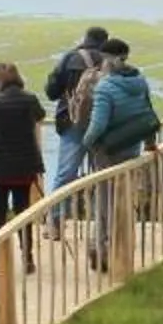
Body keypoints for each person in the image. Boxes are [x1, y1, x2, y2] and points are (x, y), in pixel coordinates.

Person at [80, 36, 160, 271]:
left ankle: (106, 251)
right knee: (123, 197)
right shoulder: (140, 81)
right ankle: (117, 246)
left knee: (105, 201)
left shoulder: (105, 88)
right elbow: (147, 113)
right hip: (131, 147)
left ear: (106, 60)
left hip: (108, 151)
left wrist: (86, 144)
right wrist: (150, 143)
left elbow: (98, 125)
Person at [0, 61, 47, 270]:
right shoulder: (29, 100)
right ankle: (27, 258)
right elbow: (41, 115)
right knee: (23, 212)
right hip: (24, 168)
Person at [44, 24, 110, 204]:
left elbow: (51, 92)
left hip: (72, 122)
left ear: (85, 39)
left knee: (65, 175)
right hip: (103, 125)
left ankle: (57, 217)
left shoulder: (71, 58)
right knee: (104, 176)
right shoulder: (109, 61)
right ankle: (103, 219)